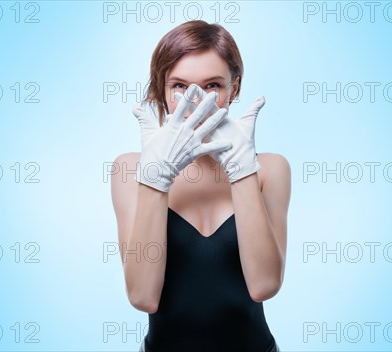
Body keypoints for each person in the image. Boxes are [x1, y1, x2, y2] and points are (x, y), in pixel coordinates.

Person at [111, 20, 291, 352]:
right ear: (162, 89)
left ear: (233, 89)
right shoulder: (130, 169)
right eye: (179, 86)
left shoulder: (270, 169)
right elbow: (142, 296)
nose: (196, 101)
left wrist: (241, 169)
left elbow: (264, 285)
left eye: (212, 86)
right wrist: (155, 178)